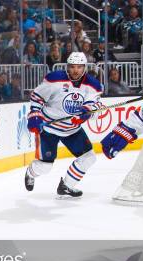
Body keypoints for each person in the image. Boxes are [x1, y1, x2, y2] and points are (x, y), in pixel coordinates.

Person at [25, 52, 103, 198]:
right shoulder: (54, 79)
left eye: (79, 67)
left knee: (89, 157)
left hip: (72, 129)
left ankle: (66, 185)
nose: (75, 70)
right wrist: (35, 114)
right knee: (45, 166)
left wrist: (86, 113)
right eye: (72, 67)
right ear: (67, 66)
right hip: (49, 128)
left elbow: (95, 106)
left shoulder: (93, 85)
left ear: (84, 67)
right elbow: (37, 96)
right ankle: (30, 173)